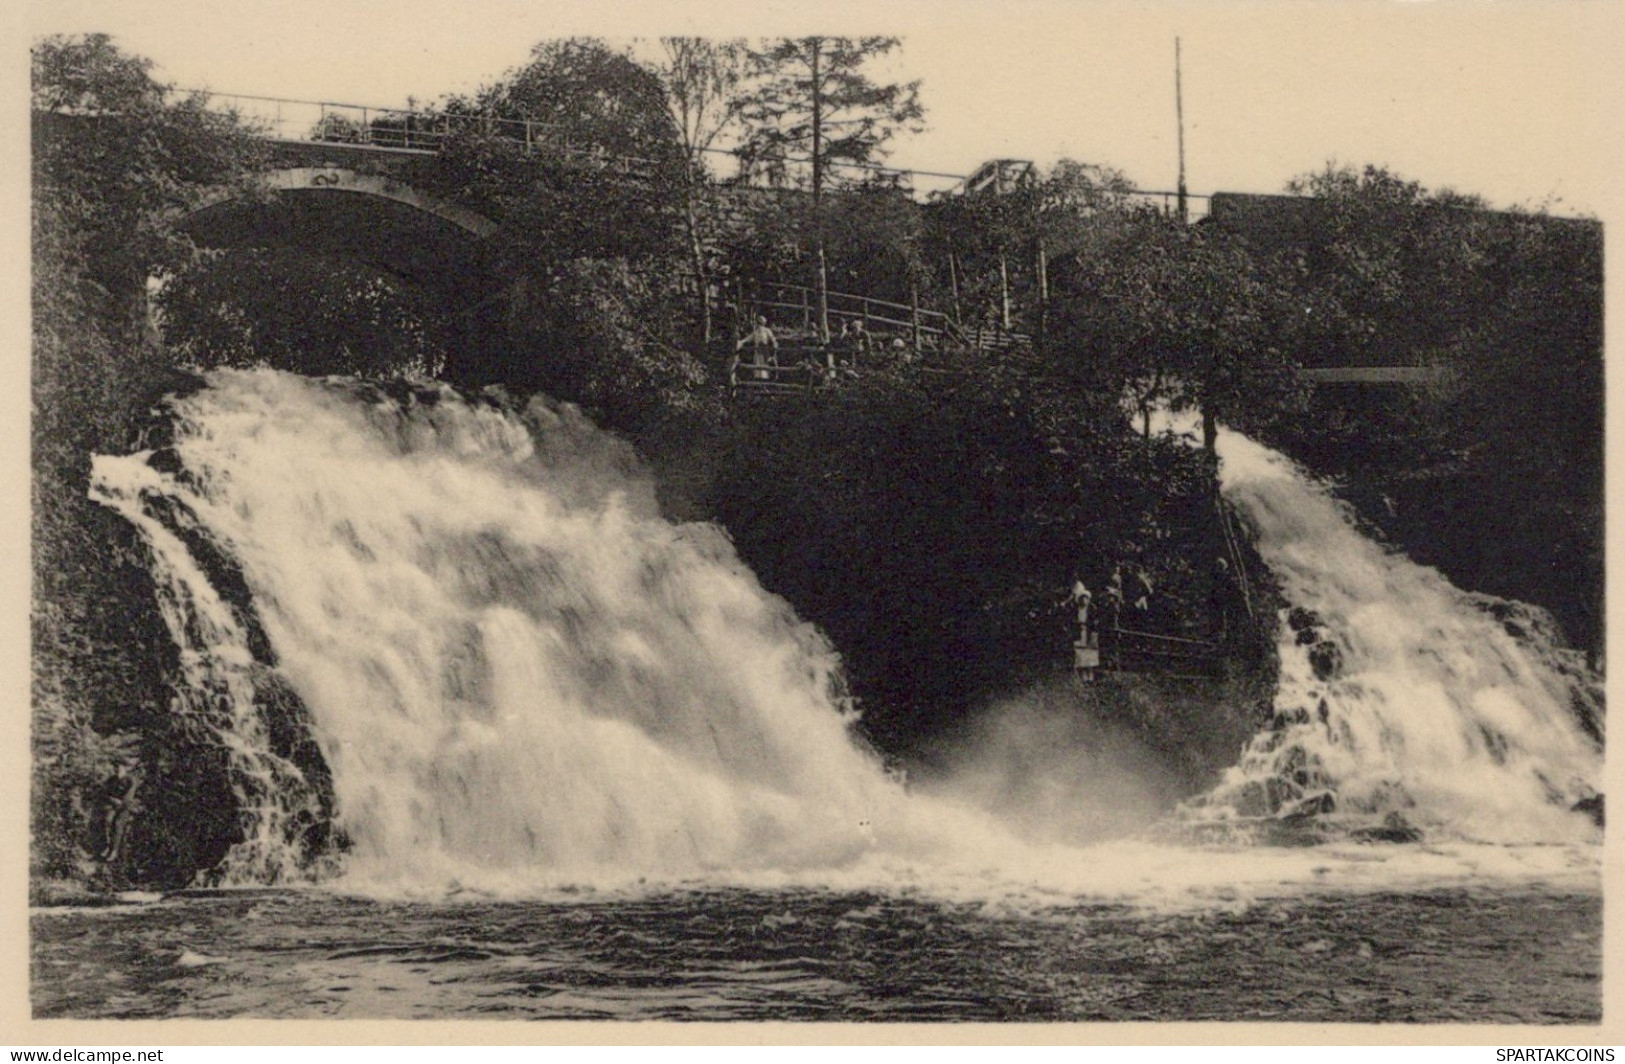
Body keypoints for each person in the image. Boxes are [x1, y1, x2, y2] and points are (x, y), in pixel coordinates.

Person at [737, 315, 779, 380]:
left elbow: (772, 339)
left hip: (764, 351)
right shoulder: (756, 332)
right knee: (757, 366)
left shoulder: (767, 330)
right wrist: (741, 342)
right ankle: (758, 381)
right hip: (757, 351)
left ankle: (764, 382)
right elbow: (748, 338)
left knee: (764, 366)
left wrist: (774, 345)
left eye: (758, 323)